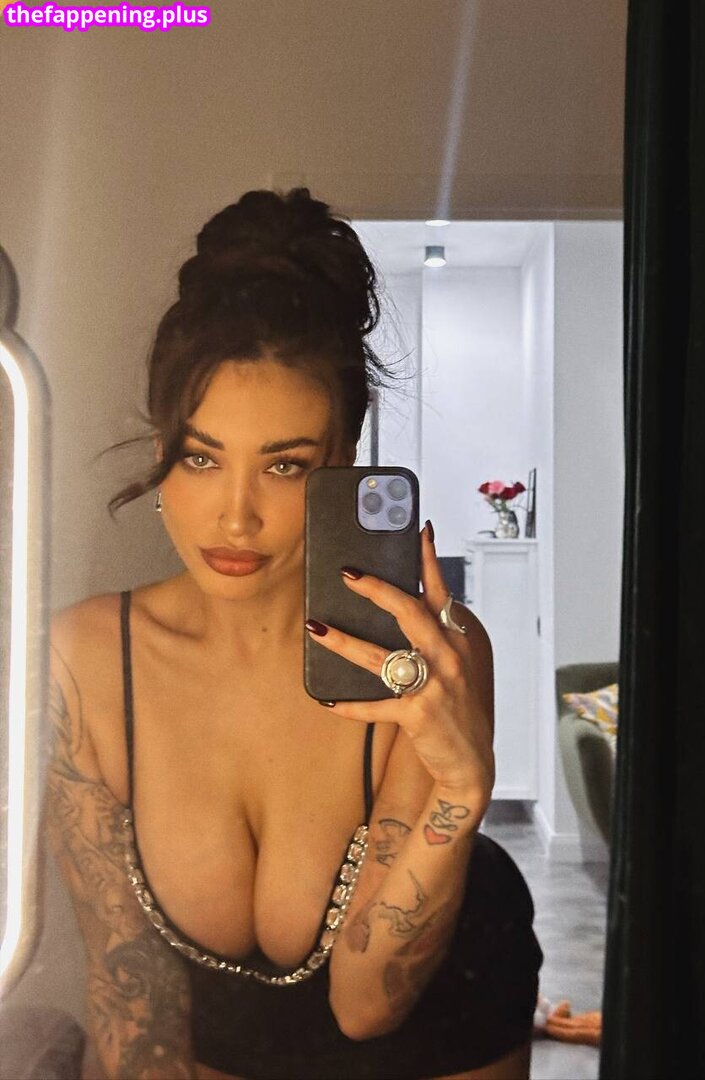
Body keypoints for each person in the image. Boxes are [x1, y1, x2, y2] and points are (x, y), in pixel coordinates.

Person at [46, 188, 543, 1080]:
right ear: (161, 449)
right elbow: (130, 997)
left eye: (284, 465)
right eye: (201, 457)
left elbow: (367, 1004)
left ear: (343, 465)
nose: (235, 516)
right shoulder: (82, 664)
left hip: (436, 1040)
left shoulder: (426, 655)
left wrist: (462, 788)